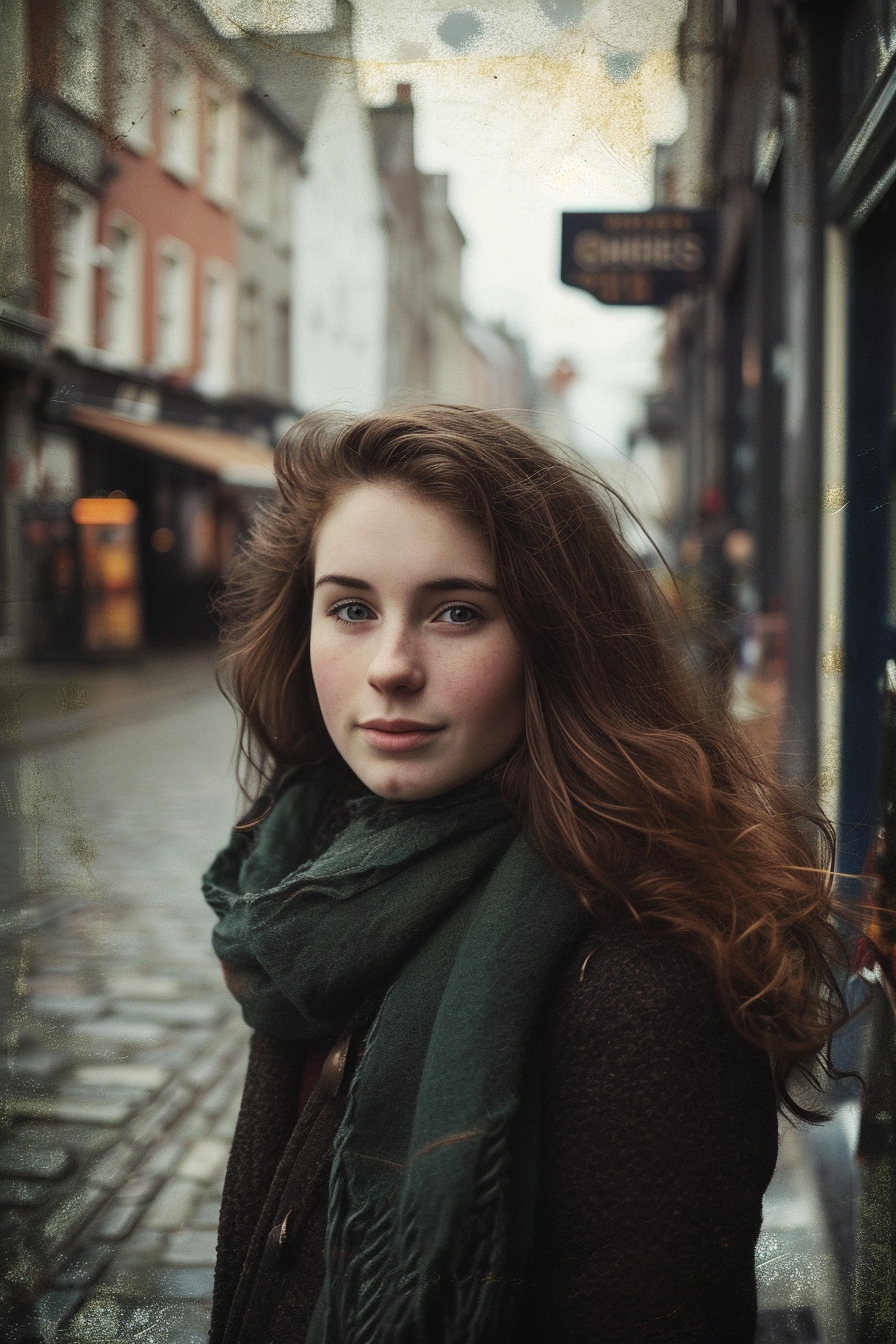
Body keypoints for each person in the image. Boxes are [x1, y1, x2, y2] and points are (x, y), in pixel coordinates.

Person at [203, 406, 848, 1344]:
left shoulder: (640, 981)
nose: (389, 667)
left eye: (456, 612)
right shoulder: (311, 884)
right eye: (351, 608)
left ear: (555, 639)